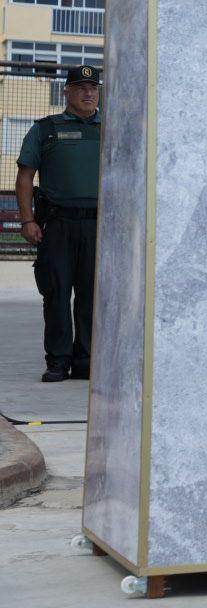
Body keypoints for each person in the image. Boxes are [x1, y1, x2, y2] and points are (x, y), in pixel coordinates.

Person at [18, 64, 102, 383]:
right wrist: (27, 220)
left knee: (91, 295)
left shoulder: (112, 129)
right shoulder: (46, 129)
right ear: (66, 92)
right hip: (57, 225)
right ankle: (58, 360)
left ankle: (86, 360)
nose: (88, 92)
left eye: (93, 87)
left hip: (99, 227)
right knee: (55, 293)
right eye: (80, 87)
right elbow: (25, 177)